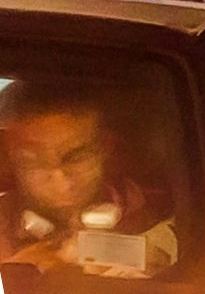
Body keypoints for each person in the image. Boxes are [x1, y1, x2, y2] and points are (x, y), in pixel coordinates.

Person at [0, 87, 182, 280]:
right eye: (32, 160)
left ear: (104, 146)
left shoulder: (161, 213)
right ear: (11, 158)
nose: (60, 178)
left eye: (76, 156)